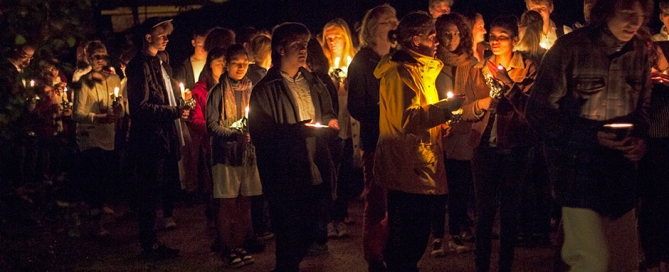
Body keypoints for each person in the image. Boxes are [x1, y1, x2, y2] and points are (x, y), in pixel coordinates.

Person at [526, 0, 652, 270]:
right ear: (605, 11)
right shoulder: (570, 48)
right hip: (579, 178)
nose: (633, 22)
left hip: (621, 180)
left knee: (623, 264)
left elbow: (643, 109)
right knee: (588, 262)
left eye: (639, 15)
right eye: (626, 13)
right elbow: (538, 111)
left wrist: (639, 139)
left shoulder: (640, 52)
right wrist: (590, 136)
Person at [248, 22, 339, 272]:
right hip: (285, 172)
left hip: (313, 165)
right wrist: (296, 130)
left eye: (305, 45)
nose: (303, 50)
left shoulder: (312, 82)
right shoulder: (266, 89)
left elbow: (327, 109)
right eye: (296, 45)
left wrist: (330, 120)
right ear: (279, 49)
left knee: (310, 228)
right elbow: (260, 133)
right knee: (288, 233)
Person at [374, 11, 455, 272]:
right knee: (407, 242)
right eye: (432, 37)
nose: (437, 42)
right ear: (416, 39)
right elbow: (406, 119)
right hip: (407, 170)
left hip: (419, 167)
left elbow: (421, 115)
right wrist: (446, 109)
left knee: (414, 240)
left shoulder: (422, 71)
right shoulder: (400, 74)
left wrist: (441, 123)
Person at [459, 16, 538, 272]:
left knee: (510, 211)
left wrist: (509, 85)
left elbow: (532, 110)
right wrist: (481, 105)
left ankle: (505, 265)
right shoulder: (477, 69)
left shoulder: (528, 68)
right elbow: (465, 110)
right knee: (484, 212)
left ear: (515, 40)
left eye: (502, 35)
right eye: (492, 35)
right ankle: (481, 265)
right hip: (483, 146)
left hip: (515, 146)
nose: (495, 40)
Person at [126, 17, 190, 260]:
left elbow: (163, 94)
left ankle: (151, 242)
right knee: (148, 193)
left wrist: (179, 105)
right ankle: (148, 245)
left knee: (156, 190)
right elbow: (140, 107)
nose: (166, 37)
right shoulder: (139, 65)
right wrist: (174, 111)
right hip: (148, 139)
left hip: (161, 136)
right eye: (161, 33)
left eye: (167, 33)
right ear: (147, 37)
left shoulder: (158, 63)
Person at [346, 4, 397, 271]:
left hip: (399, 142)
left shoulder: (398, 58)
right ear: (372, 28)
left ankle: (393, 250)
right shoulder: (361, 62)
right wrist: (386, 109)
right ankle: (375, 257)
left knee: (398, 202)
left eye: (395, 20)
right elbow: (354, 106)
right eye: (388, 21)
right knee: (376, 201)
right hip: (376, 141)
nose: (394, 25)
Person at [206, 44, 261, 268]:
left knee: (245, 203)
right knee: (227, 204)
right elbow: (211, 125)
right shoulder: (217, 92)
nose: (241, 67)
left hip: (248, 156)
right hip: (226, 156)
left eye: (244, 63)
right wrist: (233, 135)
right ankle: (227, 248)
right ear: (226, 65)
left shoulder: (253, 89)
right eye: (236, 63)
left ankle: (240, 245)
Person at [432, 12, 477, 257]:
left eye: (456, 33)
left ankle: (457, 231)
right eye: (446, 34)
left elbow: (473, 95)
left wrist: (458, 119)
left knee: (459, 185)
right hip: (437, 130)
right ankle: (438, 234)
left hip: (460, 132)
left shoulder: (470, 63)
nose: (452, 38)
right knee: (439, 186)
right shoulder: (432, 62)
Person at [72, 41, 124, 237]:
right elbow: (76, 114)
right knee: (95, 176)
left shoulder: (114, 80)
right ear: (88, 58)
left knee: (105, 177)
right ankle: (96, 222)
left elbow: (120, 109)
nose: (100, 60)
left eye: (103, 56)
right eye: (96, 57)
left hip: (107, 134)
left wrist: (119, 111)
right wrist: (96, 117)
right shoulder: (83, 82)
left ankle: (99, 209)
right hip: (90, 135)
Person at [321, 17, 359, 239]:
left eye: (336, 37)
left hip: (350, 119)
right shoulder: (324, 64)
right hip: (333, 121)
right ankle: (332, 214)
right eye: (329, 38)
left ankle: (342, 209)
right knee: (333, 167)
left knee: (346, 168)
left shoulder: (353, 62)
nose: (332, 41)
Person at [638, 37, 669, 272]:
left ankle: (663, 258)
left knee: (662, 203)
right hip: (646, 140)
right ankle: (651, 259)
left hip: (663, 139)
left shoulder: (656, 47)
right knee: (650, 203)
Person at [186, 47, 225, 230]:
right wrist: (215, 129)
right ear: (210, 66)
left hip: (231, 143)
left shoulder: (232, 85)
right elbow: (195, 120)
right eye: (219, 63)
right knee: (216, 185)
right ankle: (216, 223)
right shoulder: (201, 90)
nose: (223, 67)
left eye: (226, 63)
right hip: (212, 143)